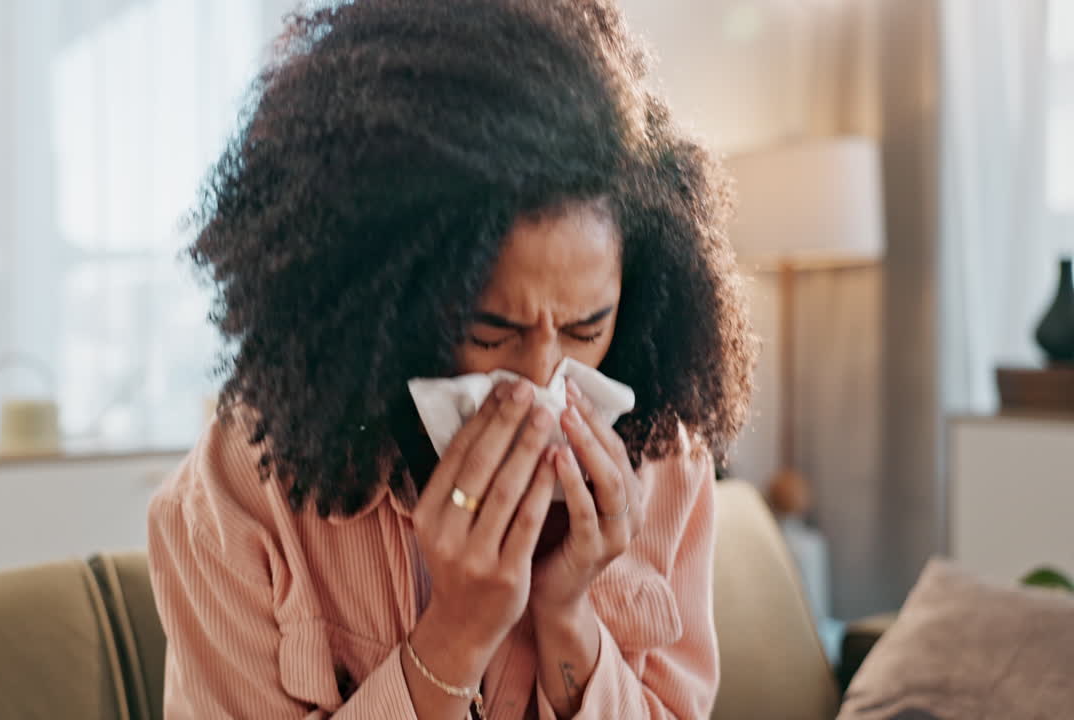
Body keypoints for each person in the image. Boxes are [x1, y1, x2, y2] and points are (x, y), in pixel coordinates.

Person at [147, 0, 755, 717]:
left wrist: (568, 619)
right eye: (491, 331)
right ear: (382, 306)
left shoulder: (666, 466)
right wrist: (457, 633)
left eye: (587, 325)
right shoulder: (235, 504)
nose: (540, 382)